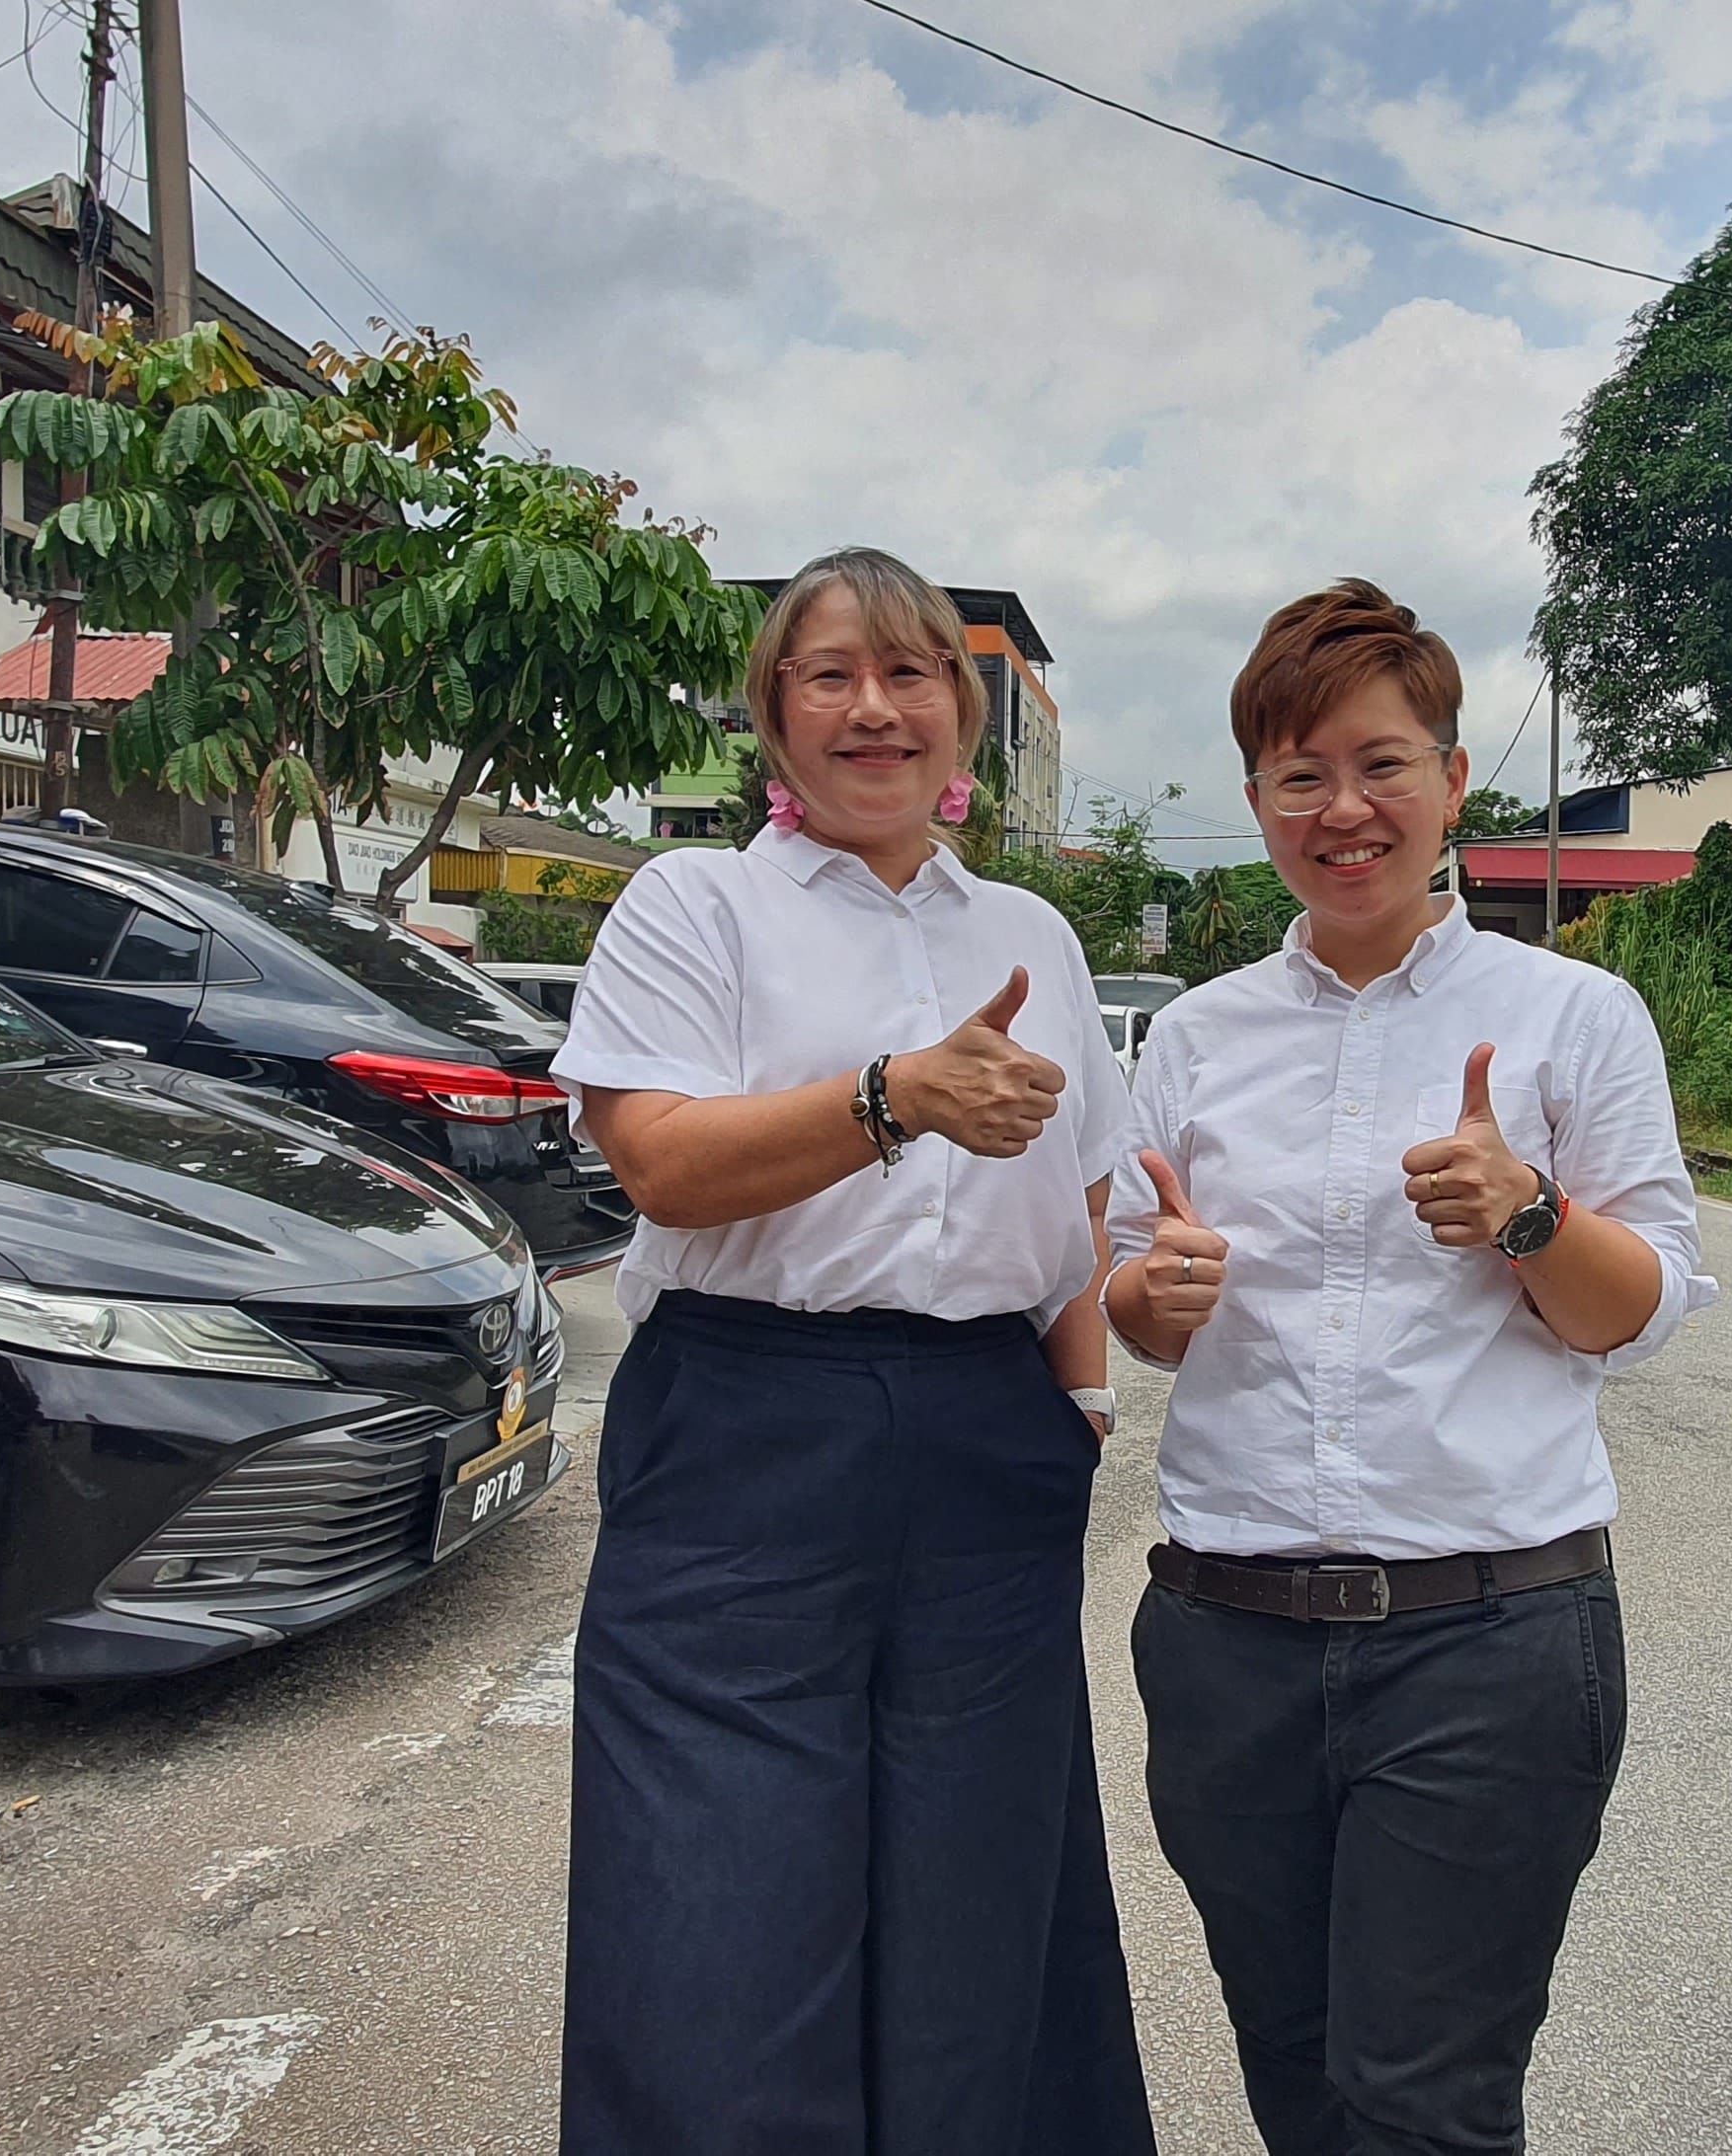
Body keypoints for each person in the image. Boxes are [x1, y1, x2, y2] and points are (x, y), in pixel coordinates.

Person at [553, 547, 1154, 2153]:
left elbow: (1080, 1197)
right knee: (713, 1910)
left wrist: (1082, 1398)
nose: (874, 708)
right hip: (745, 1426)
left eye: (911, 675)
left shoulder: (1033, 932)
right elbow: (661, 1163)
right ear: (775, 714)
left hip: (984, 1440)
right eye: (832, 674)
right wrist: (889, 1099)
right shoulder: (697, 903)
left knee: (980, 1907)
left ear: (963, 721)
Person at [1102, 578, 1712, 2154]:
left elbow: (1634, 1311)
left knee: (1424, 2102)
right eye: (1300, 777)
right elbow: (1131, 1300)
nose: (1344, 808)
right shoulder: (1194, 1038)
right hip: (1229, 1643)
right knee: (1295, 2073)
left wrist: (1529, 1214)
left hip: (1490, 1642)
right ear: (1256, 805)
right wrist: (1153, 1299)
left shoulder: (1574, 1015)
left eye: (1381, 764)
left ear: (1452, 779)